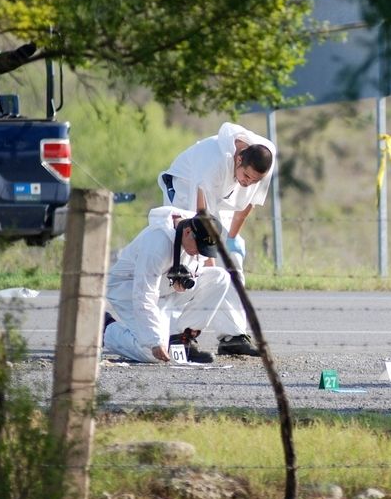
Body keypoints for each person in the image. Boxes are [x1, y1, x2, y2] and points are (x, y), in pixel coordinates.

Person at [157, 122, 275, 356]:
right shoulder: (213, 160)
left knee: (233, 261)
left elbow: (247, 204)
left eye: (253, 180)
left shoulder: (263, 161)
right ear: (238, 160)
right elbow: (200, 216)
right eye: (246, 177)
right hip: (185, 187)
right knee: (192, 262)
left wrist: (231, 238)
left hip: (223, 197)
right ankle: (180, 334)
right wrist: (209, 260)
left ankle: (232, 336)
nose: (248, 182)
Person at [103, 206, 231, 363]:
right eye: (199, 247)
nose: (200, 252)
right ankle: (105, 328)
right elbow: (143, 294)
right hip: (128, 288)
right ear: (188, 232)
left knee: (220, 277)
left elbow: (196, 265)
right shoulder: (157, 244)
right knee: (151, 352)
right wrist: (154, 340)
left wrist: (189, 278)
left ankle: (183, 339)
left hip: (165, 290)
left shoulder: (198, 229)